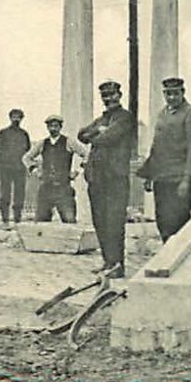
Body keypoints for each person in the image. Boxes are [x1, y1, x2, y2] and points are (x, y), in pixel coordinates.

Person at [78, 79, 137, 278]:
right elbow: (81, 134)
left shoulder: (126, 117)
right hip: (97, 177)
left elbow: (109, 138)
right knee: (100, 220)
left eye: (112, 95)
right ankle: (107, 261)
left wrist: (97, 134)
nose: (108, 99)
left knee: (114, 221)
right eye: (105, 96)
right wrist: (98, 131)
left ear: (119, 95)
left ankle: (117, 264)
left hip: (115, 177)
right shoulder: (102, 119)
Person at [138, 76, 191, 241]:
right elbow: (157, 146)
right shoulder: (163, 113)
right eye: (168, 94)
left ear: (183, 93)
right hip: (161, 177)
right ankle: (166, 255)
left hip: (178, 178)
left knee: (179, 221)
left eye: (175, 93)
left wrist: (187, 180)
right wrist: (149, 174)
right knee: (162, 219)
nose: (171, 98)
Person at [26, 115, 86, 223]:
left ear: (60, 127)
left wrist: (77, 171)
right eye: (50, 126)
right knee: (41, 222)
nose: (53, 129)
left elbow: (86, 155)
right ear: (47, 128)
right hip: (46, 188)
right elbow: (27, 158)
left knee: (69, 220)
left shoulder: (68, 142)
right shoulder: (43, 143)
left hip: (63, 188)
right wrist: (35, 171)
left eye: (56, 126)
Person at [0, 108, 32, 225]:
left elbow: (28, 150)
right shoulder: (3, 133)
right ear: (10, 118)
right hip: (6, 168)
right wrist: (1, 162)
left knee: (19, 194)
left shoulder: (24, 134)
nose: (16, 119)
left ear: (21, 119)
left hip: (20, 168)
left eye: (18, 117)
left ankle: (17, 218)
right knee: (5, 194)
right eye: (14, 117)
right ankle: (5, 219)